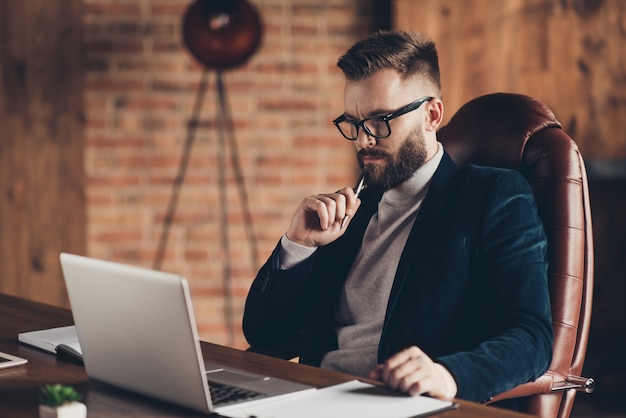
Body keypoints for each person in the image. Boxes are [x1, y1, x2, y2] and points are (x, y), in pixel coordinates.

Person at [242, 30, 552, 406]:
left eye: (380, 120)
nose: (363, 140)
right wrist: (297, 247)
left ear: (431, 115)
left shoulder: (493, 196)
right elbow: (264, 333)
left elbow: (531, 337)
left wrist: (448, 375)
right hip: (313, 397)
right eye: (353, 123)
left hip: (397, 405)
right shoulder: (351, 211)